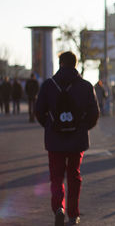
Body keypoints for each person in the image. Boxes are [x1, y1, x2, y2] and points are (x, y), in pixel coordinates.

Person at [36, 51, 99, 226]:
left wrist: (50, 127)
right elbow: (94, 113)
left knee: (56, 176)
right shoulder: (86, 86)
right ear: (75, 64)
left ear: (60, 64)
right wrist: (82, 127)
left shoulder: (48, 85)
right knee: (74, 176)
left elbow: (39, 111)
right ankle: (73, 214)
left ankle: (58, 208)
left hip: (54, 140)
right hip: (76, 140)